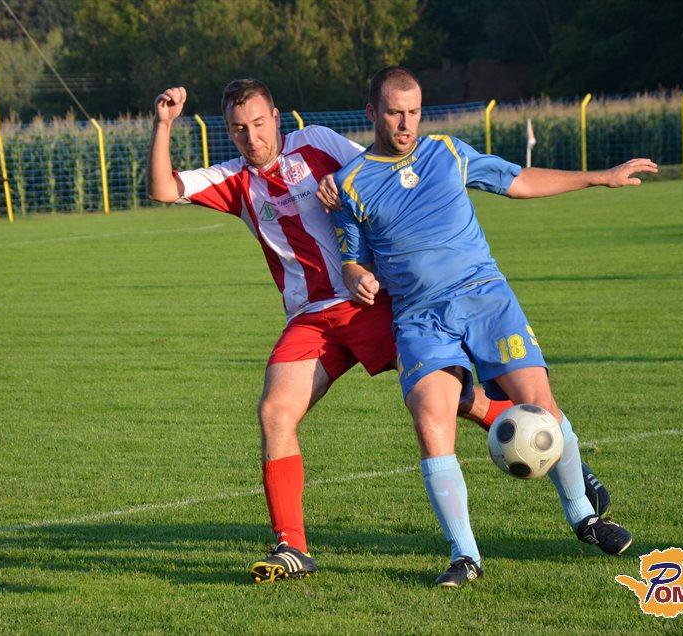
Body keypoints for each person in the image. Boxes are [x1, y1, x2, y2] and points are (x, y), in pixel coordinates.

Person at [147, 79, 610, 584]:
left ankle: (554, 450)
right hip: (311, 319)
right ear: (228, 131)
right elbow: (163, 189)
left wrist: (342, 191)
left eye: (259, 124)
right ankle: (291, 546)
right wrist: (164, 124)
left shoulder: (317, 142)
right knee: (275, 412)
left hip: (371, 305)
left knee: (451, 398)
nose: (251, 137)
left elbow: (379, 167)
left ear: (277, 118)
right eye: (239, 129)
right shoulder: (234, 180)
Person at [332, 66, 655, 588]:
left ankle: (584, 516)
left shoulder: (447, 152)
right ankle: (465, 556)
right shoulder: (350, 183)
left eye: (414, 112)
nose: (406, 124)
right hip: (420, 317)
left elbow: (518, 181)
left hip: (486, 299)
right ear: (372, 113)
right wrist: (356, 275)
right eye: (394, 113)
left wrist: (598, 177)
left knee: (541, 404)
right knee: (431, 419)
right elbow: (352, 258)